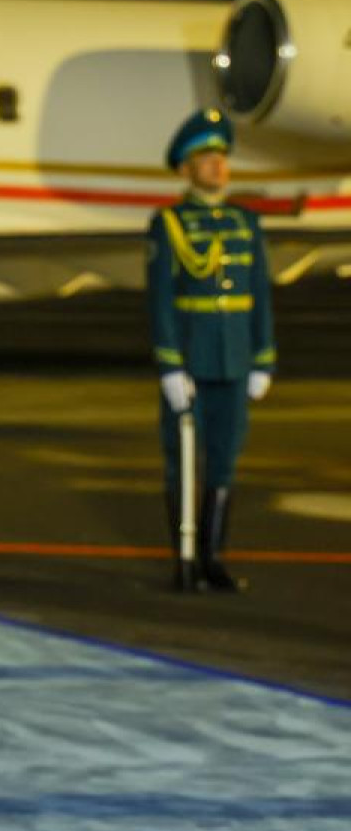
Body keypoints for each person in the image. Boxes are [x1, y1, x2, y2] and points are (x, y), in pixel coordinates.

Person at [147, 108, 273, 593]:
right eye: (206, 159)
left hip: (234, 360)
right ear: (186, 169)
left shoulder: (245, 223)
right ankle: (184, 559)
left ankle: (213, 558)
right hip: (192, 361)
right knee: (182, 462)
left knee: (224, 459)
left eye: (221, 157)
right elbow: (161, 300)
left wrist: (262, 357)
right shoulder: (170, 224)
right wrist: (169, 365)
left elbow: (259, 294)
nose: (218, 166)